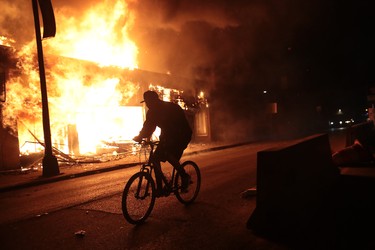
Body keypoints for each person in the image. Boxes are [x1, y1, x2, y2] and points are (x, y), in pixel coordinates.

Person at [133, 90, 193, 196]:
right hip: (168, 136)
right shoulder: (152, 111)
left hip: (182, 134)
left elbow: (177, 126)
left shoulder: (170, 108)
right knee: (155, 159)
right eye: (146, 102)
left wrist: (165, 140)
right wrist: (140, 136)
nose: (147, 104)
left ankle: (185, 176)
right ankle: (160, 188)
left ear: (154, 100)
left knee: (169, 155)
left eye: (148, 101)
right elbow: (148, 126)